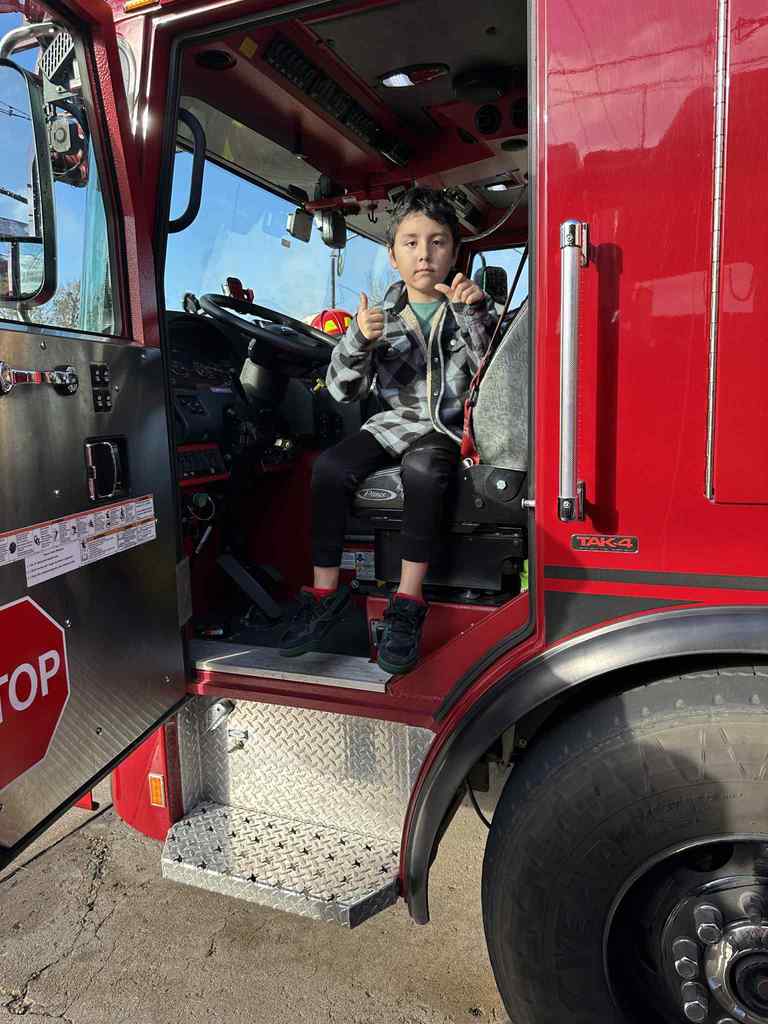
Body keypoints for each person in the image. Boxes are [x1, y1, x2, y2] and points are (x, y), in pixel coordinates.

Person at [279, 187, 497, 674]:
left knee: (423, 471)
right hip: (391, 425)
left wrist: (474, 315)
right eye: (412, 243)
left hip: (443, 428)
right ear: (393, 256)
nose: (425, 254)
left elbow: (493, 376)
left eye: (437, 242)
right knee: (330, 467)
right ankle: (325, 592)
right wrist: (358, 339)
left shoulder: (472, 309)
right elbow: (341, 391)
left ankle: (407, 601)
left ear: (454, 252)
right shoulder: (379, 317)